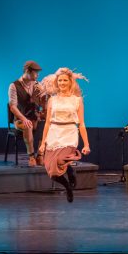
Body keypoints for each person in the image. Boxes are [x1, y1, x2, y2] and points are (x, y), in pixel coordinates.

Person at [38, 67, 90, 203]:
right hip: (54, 133)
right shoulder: (52, 100)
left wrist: (86, 144)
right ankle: (67, 186)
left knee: (61, 159)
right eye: (60, 80)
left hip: (69, 133)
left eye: (65, 80)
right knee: (52, 171)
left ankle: (70, 169)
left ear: (70, 82)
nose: (62, 83)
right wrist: (43, 143)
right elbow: (47, 122)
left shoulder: (77, 100)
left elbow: (82, 124)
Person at [9, 60, 47, 167]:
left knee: (46, 124)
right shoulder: (14, 86)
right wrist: (24, 119)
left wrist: (43, 97)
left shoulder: (37, 85)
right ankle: (31, 156)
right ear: (27, 71)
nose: (38, 75)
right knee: (28, 125)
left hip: (35, 118)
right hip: (20, 120)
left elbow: (43, 107)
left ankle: (40, 155)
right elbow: (12, 107)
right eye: (35, 72)